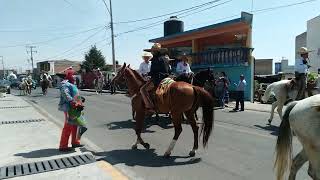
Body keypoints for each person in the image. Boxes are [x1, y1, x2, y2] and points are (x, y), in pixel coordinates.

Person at [140, 43, 171, 113]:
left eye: (153, 51)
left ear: (156, 52)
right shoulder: (165, 58)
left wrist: (147, 74)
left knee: (143, 89)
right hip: (167, 78)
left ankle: (149, 106)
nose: (152, 52)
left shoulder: (155, 59)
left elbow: (153, 71)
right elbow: (168, 70)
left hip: (158, 78)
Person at [58, 70, 83, 152]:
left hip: (75, 107)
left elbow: (75, 94)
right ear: (69, 75)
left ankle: (75, 142)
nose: (75, 77)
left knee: (75, 124)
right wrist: (72, 101)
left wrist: (80, 101)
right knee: (68, 125)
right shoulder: (65, 84)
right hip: (69, 107)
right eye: (74, 75)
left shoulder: (72, 84)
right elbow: (65, 93)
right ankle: (63, 145)